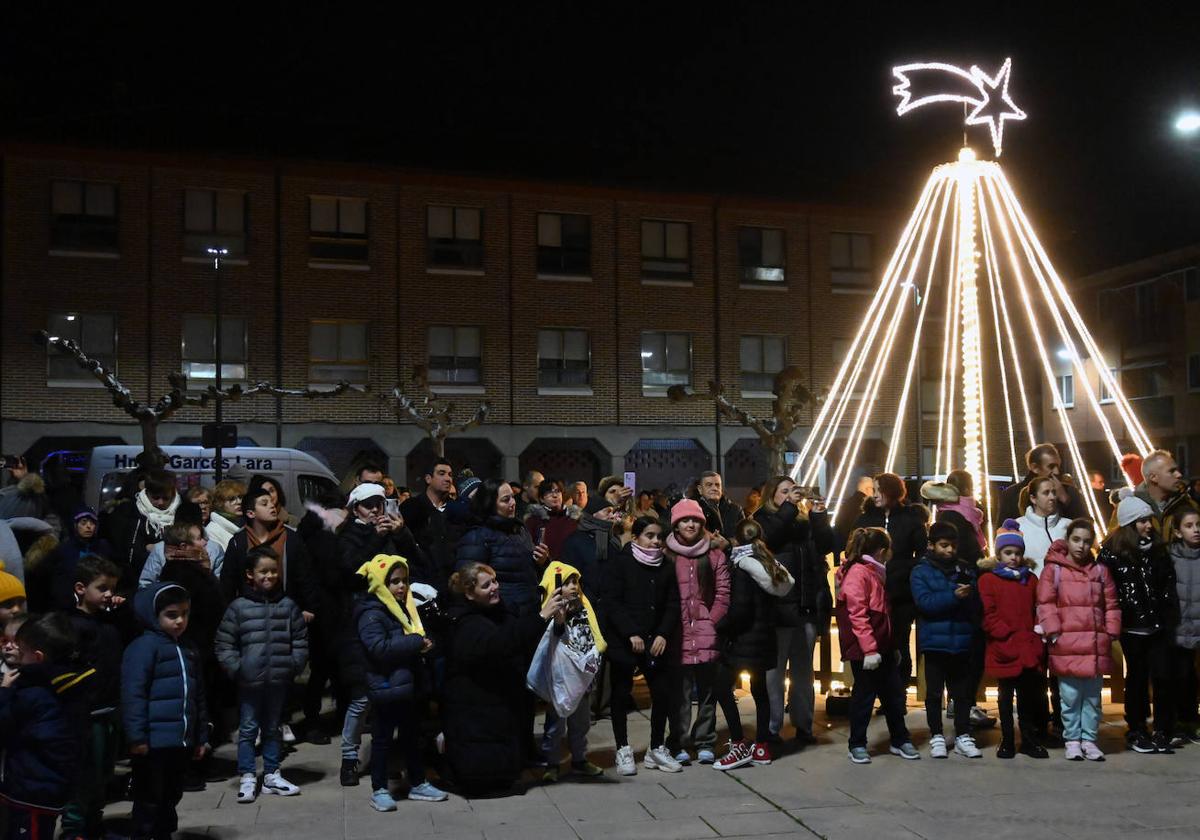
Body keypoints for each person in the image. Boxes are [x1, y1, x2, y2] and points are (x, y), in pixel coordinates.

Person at [442, 562, 565, 795]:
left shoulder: (497, 610)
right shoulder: (465, 622)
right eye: (486, 585)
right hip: (474, 704)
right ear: (469, 593)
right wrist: (541, 616)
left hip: (496, 699)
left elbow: (515, 632)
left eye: (495, 581)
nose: (494, 588)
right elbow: (502, 642)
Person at [335, 482, 421, 785]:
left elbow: (415, 563)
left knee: (392, 693)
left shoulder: (388, 533)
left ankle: (388, 758)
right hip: (361, 621)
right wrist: (376, 537)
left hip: (395, 620)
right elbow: (350, 572)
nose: (376, 510)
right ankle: (349, 757)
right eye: (369, 504)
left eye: (380, 504)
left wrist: (401, 534)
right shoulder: (350, 534)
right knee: (361, 698)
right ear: (355, 508)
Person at [354, 554, 448, 810]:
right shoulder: (372, 612)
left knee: (411, 736)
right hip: (386, 686)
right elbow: (379, 648)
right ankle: (380, 788)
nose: (401, 586)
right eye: (394, 581)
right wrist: (416, 643)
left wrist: (424, 645)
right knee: (383, 740)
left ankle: (418, 782)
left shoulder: (403, 607)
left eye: (404, 580)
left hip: (407, 684)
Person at [215, 545, 307, 802]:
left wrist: (293, 664)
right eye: (263, 571)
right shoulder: (239, 607)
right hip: (249, 682)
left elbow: (299, 639)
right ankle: (247, 775)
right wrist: (237, 668)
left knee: (273, 727)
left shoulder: (288, 606)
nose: (269, 576)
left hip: (278, 679)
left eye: (273, 571)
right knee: (247, 729)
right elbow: (224, 643)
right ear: (250, 575)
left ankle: (271, 774)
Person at [121, 581, 210, 839]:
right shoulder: (143, 648)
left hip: (179, 741)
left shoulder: (188, 648)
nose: (180, 621)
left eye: (184, 614)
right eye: (171, 615)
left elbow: (198, 697)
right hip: (152, 743)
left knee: (171, 794)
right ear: (153, 614)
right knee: (150, 796)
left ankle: (163, 833)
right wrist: (137, 737)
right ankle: (144, 834)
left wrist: (200, 736)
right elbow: (133, 695)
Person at [754, 475, 834, 747]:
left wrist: (820, 515)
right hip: (777, 607)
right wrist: (789, 508)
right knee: (774, 672)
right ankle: (772, 727)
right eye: (784, 492)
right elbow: (772, 538)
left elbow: (826, 545)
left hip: (805, 604)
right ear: (771, 495)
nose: (790, 496)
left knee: (803, 672)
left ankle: (803, 724)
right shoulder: (762, 518)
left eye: (793, 491)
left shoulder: (803, 522)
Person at [710, 519, 794, 770]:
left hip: (744, 640)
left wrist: (719, 627)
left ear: (736, 540)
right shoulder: (767, 562)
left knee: (722, 688)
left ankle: (738, 744)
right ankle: (762, 745)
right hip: (765, 639)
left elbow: (740, 611)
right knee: (760, 692)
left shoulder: (741, 567)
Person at [0, 613, 92, 840]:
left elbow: (2, 724)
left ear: (38, 657)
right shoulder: (69, 684)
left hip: (30, 789)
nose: (17, 656)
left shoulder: (32, 692)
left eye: (21, 652)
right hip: (53, 787)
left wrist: (4, 691)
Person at [1099, 496, 1178, 754]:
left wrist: (1167, 614)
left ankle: (1164, 728)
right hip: (1132, 626)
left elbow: (1167, 583)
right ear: (1130, 524)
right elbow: (1109, 589)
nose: (1148, 525)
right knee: (1136, 678)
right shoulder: (1112, 553)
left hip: (1157, 624)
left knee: (1164, 676)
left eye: (1148, 520)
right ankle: (1136, 728)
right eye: (1143, 521)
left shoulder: (1157, 549)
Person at [1037, 519, 1120, 761]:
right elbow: (1045, 603)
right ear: (1068, 540)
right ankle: (1072, 739)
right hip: (1066, 645)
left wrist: (1110, 630)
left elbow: (1111, 605)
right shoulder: (1055, 570)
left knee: (1092, 699)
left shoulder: (1100, 571)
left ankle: (1090, 739)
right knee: (1070, 698)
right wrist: (1053, 631)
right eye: (1076, 540)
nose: (1081, 546)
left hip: (1094, 645)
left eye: (1086, 541)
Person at [603, 516, 680, 776]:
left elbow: (672, 604)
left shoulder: (666, 566)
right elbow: (612, 602)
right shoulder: (621, 563)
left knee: (662, 693)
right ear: (636, 537)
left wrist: (662, 634)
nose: (655, 541)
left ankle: (656, 748)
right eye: (649, 535)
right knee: (621, 694)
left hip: (654, 641)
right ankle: (623, 748)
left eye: (659, 536)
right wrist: (630, 632)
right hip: (625, 642)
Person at [836, 527, 919, 764]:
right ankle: (857, 743)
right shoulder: (859, 573)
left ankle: (899, 738)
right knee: (864, 696)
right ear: (882, 551)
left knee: (893, 695)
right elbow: (857, 614)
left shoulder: (871, 571)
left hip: (880, 646)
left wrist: (889, 647)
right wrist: (870, 649)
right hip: (866, 650)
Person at [60, 556, 124, 837]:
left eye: (112, 588)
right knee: (84, 776)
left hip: (110, 708)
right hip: (86, 715)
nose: (109, 594)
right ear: (80, 588)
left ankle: (94, 824)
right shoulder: (72, 627)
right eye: (102, 588)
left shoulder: (110, 624)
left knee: (102, 775)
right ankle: (74, 829)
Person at [665, 498, 730, 766]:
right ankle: (678, 740)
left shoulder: (714, 554)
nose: (690, 524)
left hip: (706, 632)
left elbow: (723, 594)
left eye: (695, 520)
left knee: (707, 691)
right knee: (678, 692)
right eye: (685, 520)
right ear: (676, 524)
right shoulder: (666, 555)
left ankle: (704, 739)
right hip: (677, 633)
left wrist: (711, 622)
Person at [910, 521, 983, 759]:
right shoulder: (920, 571)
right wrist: (954, 596)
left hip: (961, 640)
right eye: (944, 546)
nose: (949, 551)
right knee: (934, 693)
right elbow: (926, 603)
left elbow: (976, 603)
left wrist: (970, 597)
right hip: (934, 642)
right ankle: (937, 735)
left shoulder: (965, 569)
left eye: (953, 546)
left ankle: (963, 734)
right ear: (931, 545)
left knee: (961, 694)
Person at [977, 521, 1049, 759]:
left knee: (1028, 697)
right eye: (1008, 553)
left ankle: (1028, 739)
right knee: (1005, 697)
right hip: (1004, 645)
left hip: (1026, 645)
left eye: (1017, 553)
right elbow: (988, 612)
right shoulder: (989, 580)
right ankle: (1007, 740)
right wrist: (1003, 631)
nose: (1013, 558)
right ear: (999, 554)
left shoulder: (1029, 580)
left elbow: (1037, 607)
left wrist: (1035, 632)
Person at [853, 472, 927, 695]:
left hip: (900, 593)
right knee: (874, 642)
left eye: (878, 490)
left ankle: (898, 693)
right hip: (871, 591)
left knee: (899, 643)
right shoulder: (866, 518)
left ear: (891, 492)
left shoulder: (910, 519)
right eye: (872, 490)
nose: (874, 495)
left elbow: (922, 553)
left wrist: (901, 569)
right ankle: (881, 692)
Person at [534, 560, 606, 782]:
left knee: (581, 722)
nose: (574, 586)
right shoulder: (552, 610)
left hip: (583, 676)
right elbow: (553, 637)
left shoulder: (584, 606)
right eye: (567, 583)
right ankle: (552, 763)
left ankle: (579, 759)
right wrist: (559, 618)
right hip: (561, 678)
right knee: (556, 724)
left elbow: (593, 634)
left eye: (576, 582)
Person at [219, 486, 320, 618]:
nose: (272, 506)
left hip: (285, 612)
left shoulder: (290, 538)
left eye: (272, 502)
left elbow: (305, 575)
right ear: (251, 513)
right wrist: (229, 612)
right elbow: (228, 581)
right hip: (248, 615)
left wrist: (309, 608)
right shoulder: (239, 541)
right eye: (264, 504)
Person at [28, 507, 113, 612]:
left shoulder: (103, 548)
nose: (88, 526)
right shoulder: (64, 549)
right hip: (67, 605)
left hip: (96, 603)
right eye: (84, 522)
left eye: (92, 523)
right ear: (75, 525)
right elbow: (43, 574)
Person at [995, 444, 1087, 527]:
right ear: (1034, 467)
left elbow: (1084, 527)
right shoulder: (1012, 494)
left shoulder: (1069, 492)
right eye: (1051, 467)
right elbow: (1002, 531)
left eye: (1058, 466)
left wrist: (1066, 501)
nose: (1057, 472)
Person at [400, 458, 456, 592]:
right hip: (420, 582)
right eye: (441, 473)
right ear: (428, 479)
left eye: (450, 474)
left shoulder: (456, 510)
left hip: (451, 582)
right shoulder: (411, 507)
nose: (448, 479)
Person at [1168, 507, 1200, 744]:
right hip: (1178, 628)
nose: (1196, 530)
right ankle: (1180, 721)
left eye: (1198, 525)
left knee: (1193, 677)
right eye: (1189, 526)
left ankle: (1192, 720)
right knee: (1180, 676)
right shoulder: (1170, 557)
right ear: (1178, 532)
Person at [1017, 476, 1070, 575]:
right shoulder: (1017, 527)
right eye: (1046, 493)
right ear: (1033, 498)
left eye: (1054, 492)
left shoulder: (1069, 525)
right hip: (1029, 586)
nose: (1052, 497)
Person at [524, 479, 577, 563]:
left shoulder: (573, 519)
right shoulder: (534, 520)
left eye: (558, 491)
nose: (555, 495)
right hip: (544, 570)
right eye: (549, 492)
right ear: (541, 498)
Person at [696, 471, 743, 549]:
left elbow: (744, 537)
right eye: (709, 485)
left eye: (717, 485)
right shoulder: (692, 510)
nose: (714, 488)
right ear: (700, 489)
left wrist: (728, 543)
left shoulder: (735, 510)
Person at [207, 479, 246, 550]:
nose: (239, 502)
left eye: (241, 497)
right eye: (232, 499)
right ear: (219, 503)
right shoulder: (212, 531)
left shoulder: (247, 524)